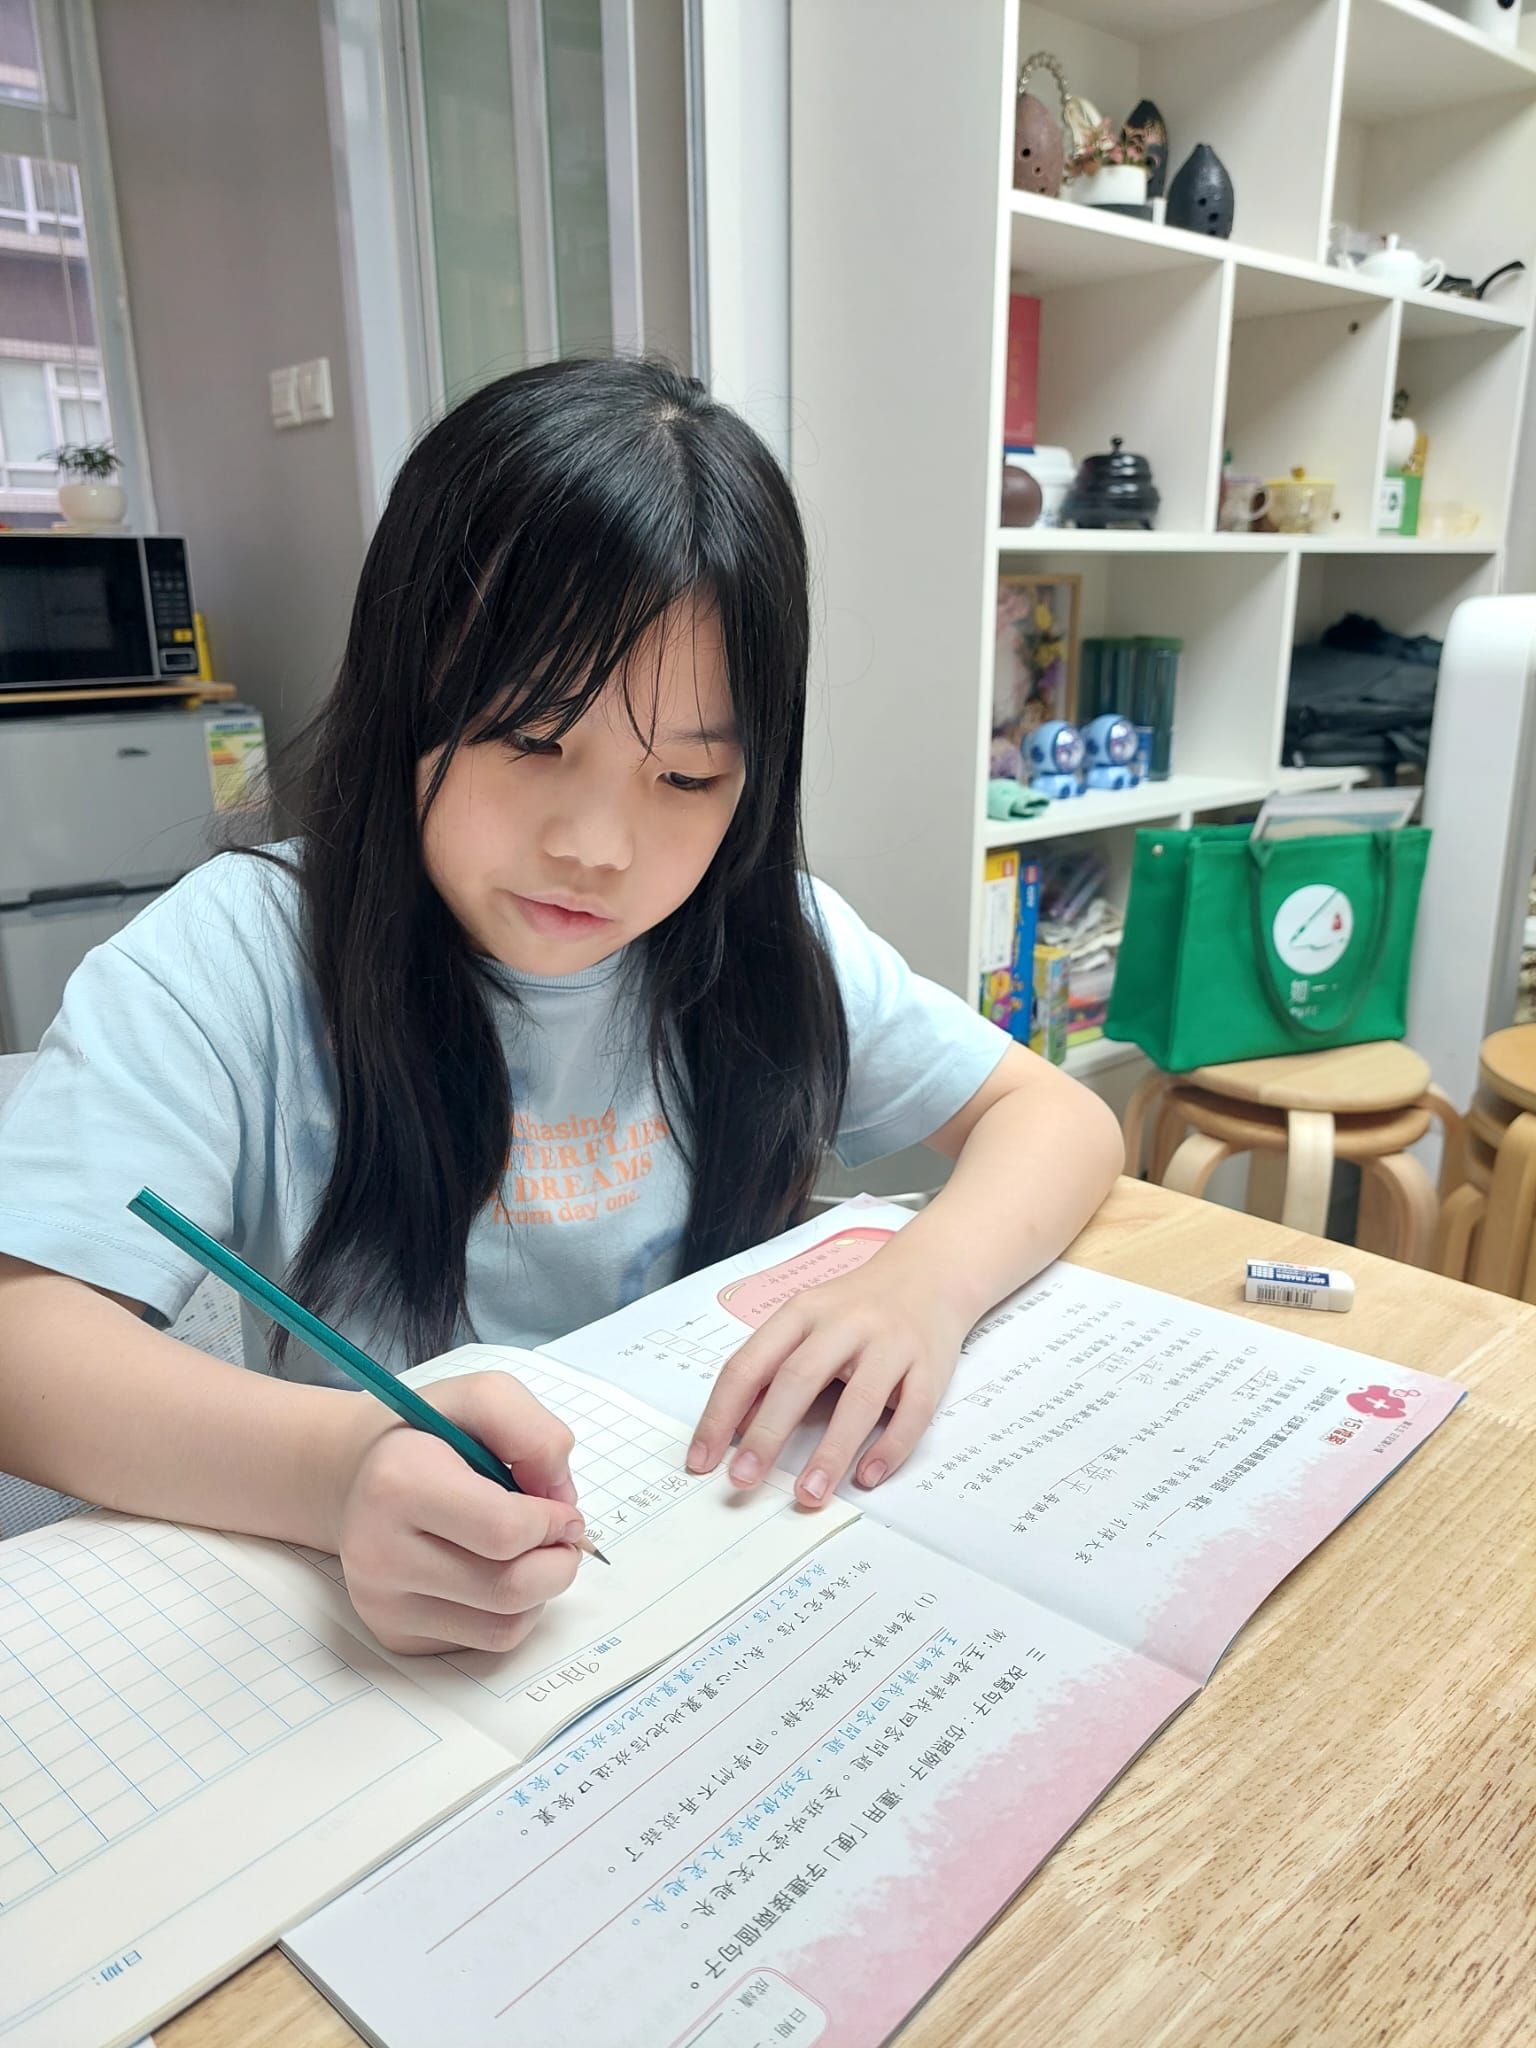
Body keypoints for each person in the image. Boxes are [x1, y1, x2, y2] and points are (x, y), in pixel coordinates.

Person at [0, 358, 1122, 1654]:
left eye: (688, 777)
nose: (599, 845)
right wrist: (330, 1466)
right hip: (401, 1632)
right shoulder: (240, 952)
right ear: (407, 697)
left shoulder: (762, 935)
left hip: (733, 1575)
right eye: (535, 740)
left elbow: (1053, 1116)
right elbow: (27, 1339)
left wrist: (923, 1284)